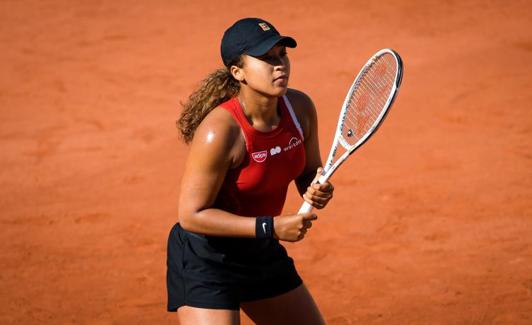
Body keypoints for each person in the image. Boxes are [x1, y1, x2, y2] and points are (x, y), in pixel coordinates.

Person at [167, 17, 334, 324]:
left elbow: (309, 170)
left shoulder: (300, 109)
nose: (279, 65)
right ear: (237, 71)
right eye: (267, 59)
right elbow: (191, 215)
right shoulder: (220, 132)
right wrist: (272, 227)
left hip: (259, 251)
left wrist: (316, 187)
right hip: (208, 257)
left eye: (282, 55)